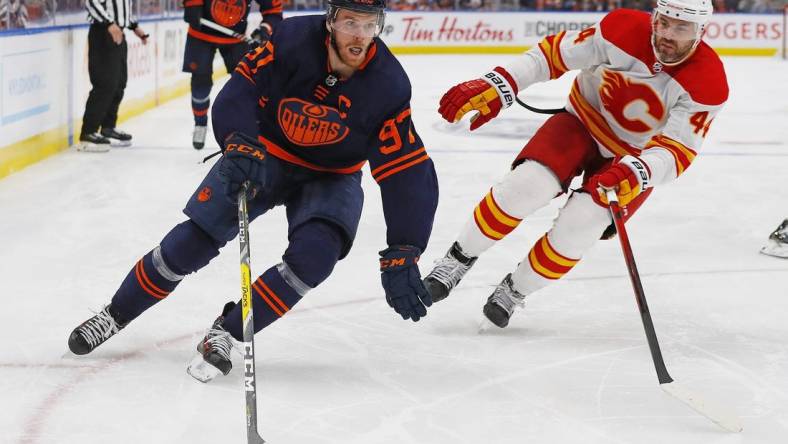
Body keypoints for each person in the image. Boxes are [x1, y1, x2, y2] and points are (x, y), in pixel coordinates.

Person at [67, 0, 438, 382]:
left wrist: (405, 247)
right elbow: (241, 87)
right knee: (190, 243)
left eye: (369, 24)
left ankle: (226, 332)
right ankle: (114, 314)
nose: (359, 35)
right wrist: (239, 139)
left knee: (315, 257)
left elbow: (406, 168)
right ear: (331, 21)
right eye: (350, 22)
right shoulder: (292, 39)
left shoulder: (389, 84)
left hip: (331, 175)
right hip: (264, 153)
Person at [423, 0, 728, 328]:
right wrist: (501, 82)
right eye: (663, 22)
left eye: (681, 27)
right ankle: (458, 258)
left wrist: (640, 171)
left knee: (581, 224)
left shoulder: (707, 82)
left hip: (633, 160)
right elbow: (552, 55)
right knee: (524, 187)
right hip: (582, 123)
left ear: (701, 31)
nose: (667, 35)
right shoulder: (621, 29)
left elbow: (677, 151)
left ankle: (516, 289)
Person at [183, 0, 283, 149]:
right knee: (201, 81)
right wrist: (192, 4)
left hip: (235, 38)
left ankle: (245, 129)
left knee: (246, 82)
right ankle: (200, 123)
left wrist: (264, 29)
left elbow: (274, 11)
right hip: (200, 34)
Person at [79, 0, 149, 152]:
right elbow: (92, 2)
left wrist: (135, 27)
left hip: (118, 33)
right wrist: (108, 23)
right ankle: (88, 132)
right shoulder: (106, 24)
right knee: (105, 83)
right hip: (102, 33)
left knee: (119, 84)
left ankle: (108, 127)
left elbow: (121, 9)